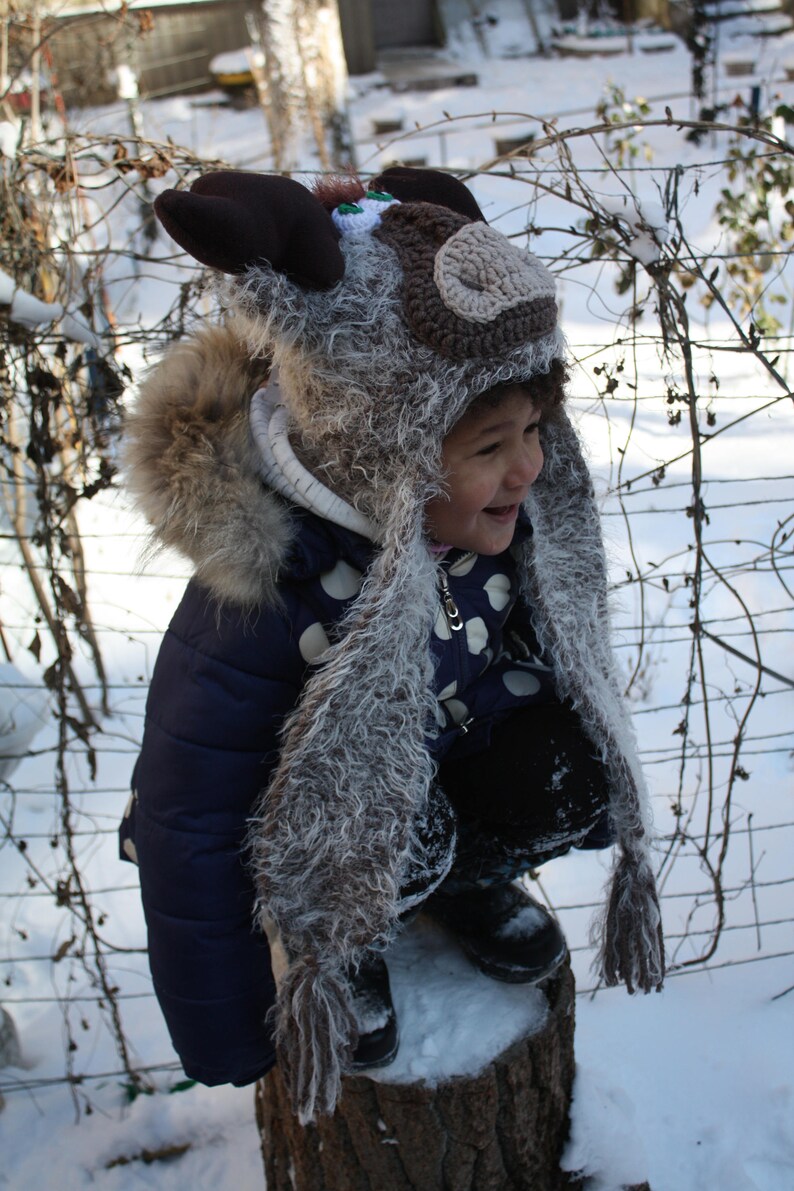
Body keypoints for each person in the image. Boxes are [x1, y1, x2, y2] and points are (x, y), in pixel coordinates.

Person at [120, 167, 664, 1124]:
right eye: (490, 446)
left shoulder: (474, 534)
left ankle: (466, 886)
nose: (529, 467)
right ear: (382, 450)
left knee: (561, 765)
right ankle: (342, 947)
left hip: (428, 774)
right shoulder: (267, 598)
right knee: (394, 818)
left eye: (534, 429)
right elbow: (188, 813)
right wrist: (229, 1025)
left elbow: (501, 673)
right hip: (309, 834)